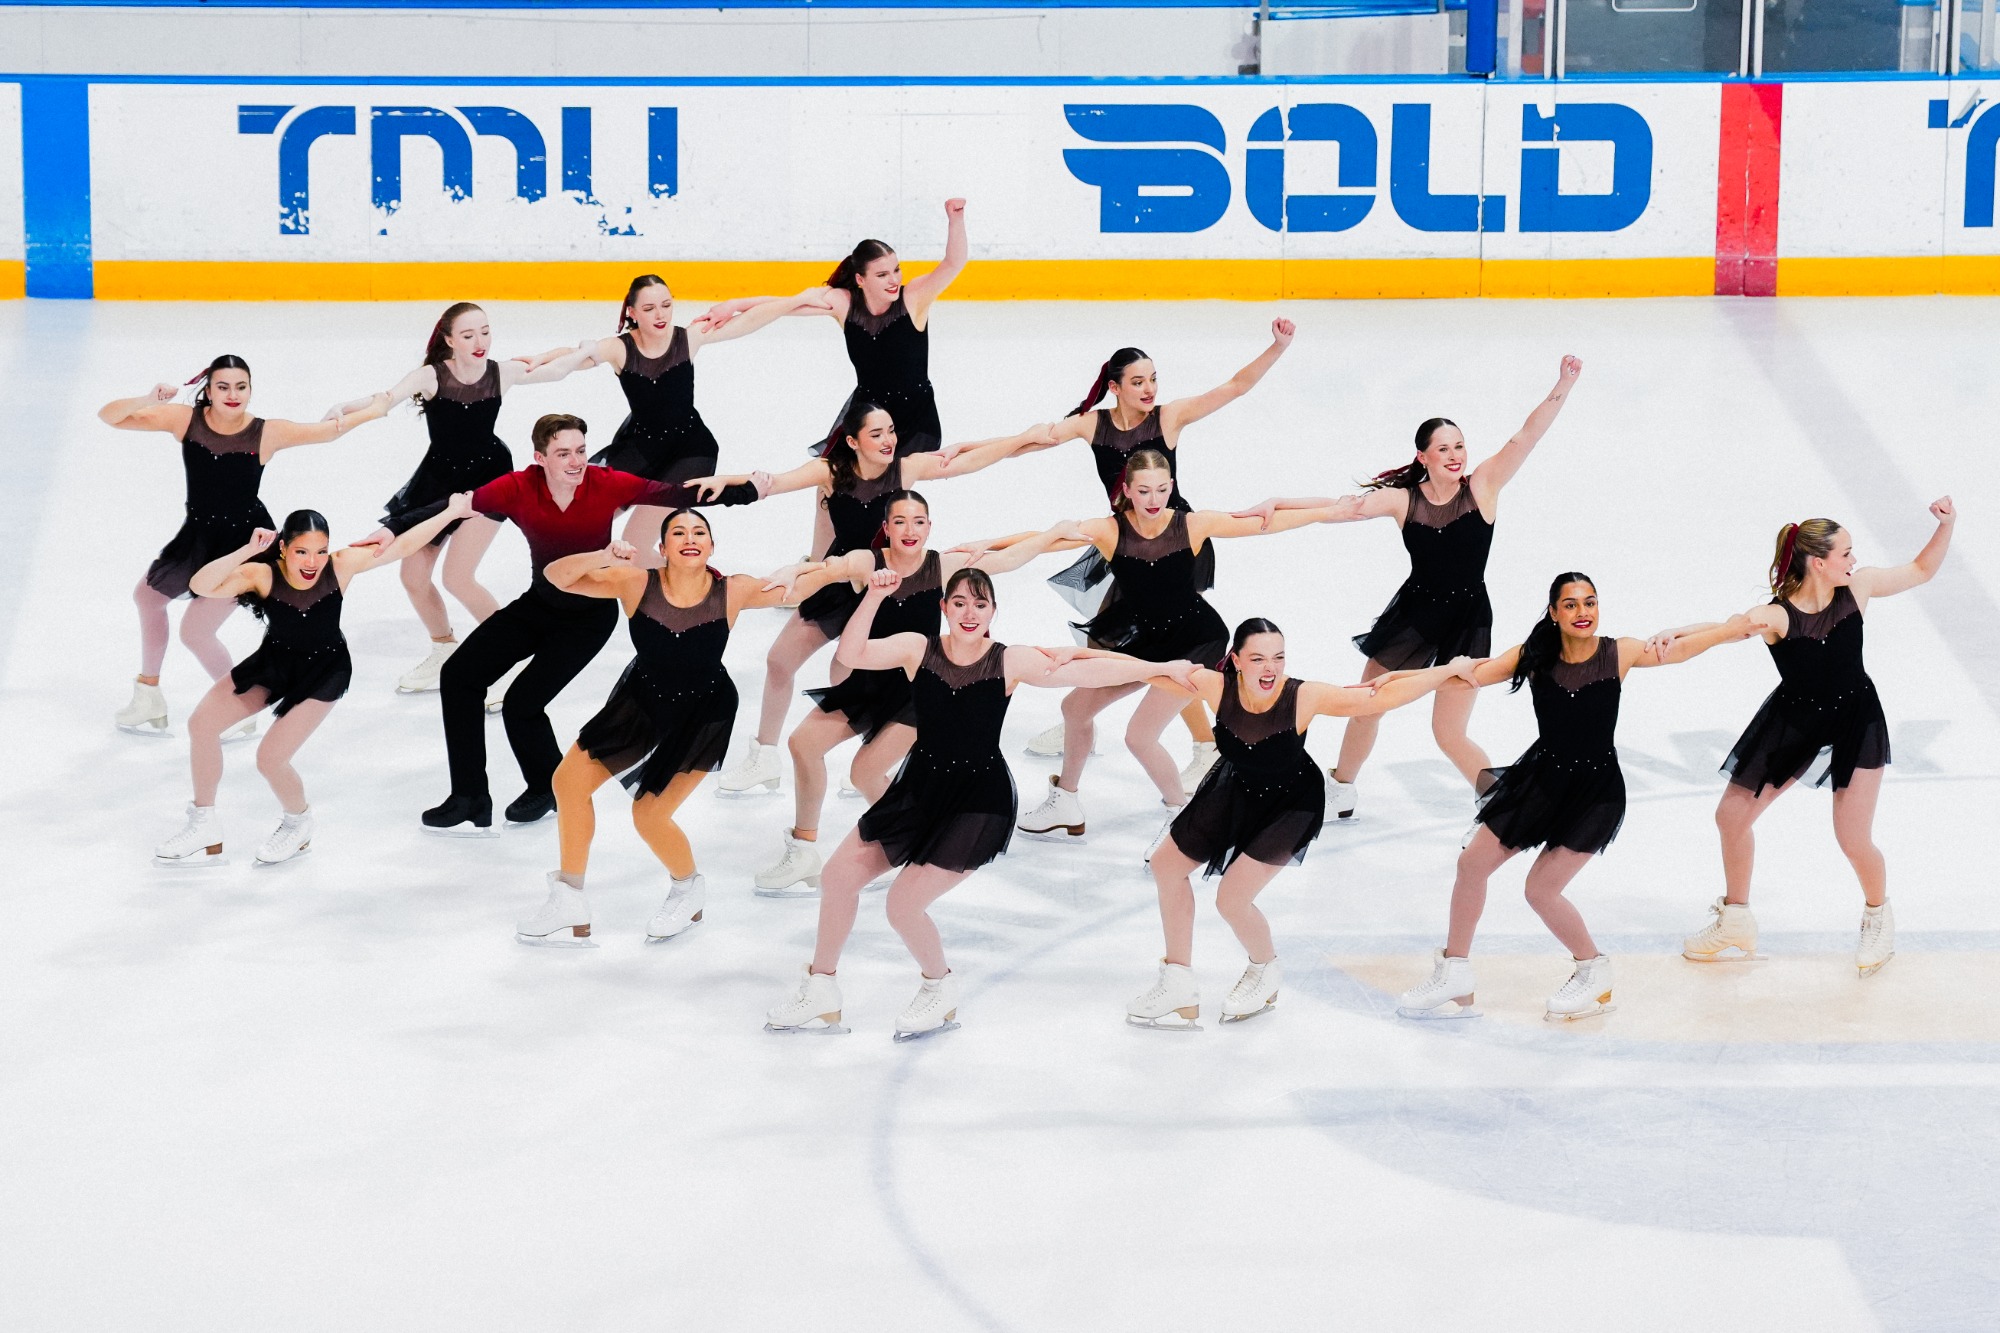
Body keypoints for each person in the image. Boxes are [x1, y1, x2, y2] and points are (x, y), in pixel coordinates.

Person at [764, 567, 1199, 1040]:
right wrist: (873, 597)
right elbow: (852, 654)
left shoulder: (1009, 661)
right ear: (944, 608)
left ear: (993, 612)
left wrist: (1157, 669)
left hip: (977, 801)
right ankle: (822, 987)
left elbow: (1087, 670)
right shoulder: (917, 648)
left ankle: (939, 987)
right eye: (960, 603)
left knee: (902, 906)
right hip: (919, 791)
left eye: (980, 604)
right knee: (837, 877)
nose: (969, 613)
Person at [376, 413, 760, 835]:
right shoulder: (517, 487)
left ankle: (546, 787)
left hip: (587, 618)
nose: (576, 461)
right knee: (459, 675)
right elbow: (454, 507)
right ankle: (469, 796)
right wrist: (392, 528)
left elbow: (674, 494)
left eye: (580, 450)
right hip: (539, 604)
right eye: (563, 453)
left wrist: (750, 489)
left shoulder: (606, 482)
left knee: (523, 702)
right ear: (540, 457)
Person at [1239, 355, 1583, 820]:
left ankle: (1504, 801)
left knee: (1448, 732)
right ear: (1423, 457)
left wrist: (1562, 383)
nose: (1456, 455)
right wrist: (1280, 502)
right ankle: (1341, 787)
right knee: (1368, 702)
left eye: (1460, 445)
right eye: (1444, 449)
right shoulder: (1404, 501)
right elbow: (1342, 507)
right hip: (1416, 615)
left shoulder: (1482, 486)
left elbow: (1526, 435)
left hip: (1468, 618)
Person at [1395, 574, 1751, 1022]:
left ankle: (1593, 969)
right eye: (1571, 605)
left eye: (1590, 602)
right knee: (1472, 864)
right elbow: (1468, 677)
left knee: (1541, 889)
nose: (1583, 612)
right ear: (1553, 613)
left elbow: (1677, 650)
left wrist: (1729, 628)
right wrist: (1414, 678)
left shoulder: (1617, 652)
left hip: (1595, 792)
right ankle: (1456, 971)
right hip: (1541, 782)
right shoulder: (1534, 656)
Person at [511, 511, 850, 947]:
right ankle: (570, 896)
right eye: (679, 533)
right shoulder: (635, 583)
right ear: (663, 548)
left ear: (711, 547)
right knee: (568, 782)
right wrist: (602, 554)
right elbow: (556, 576)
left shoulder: (734, 590)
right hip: (642, 702)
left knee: (648, 815)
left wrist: (823, 567)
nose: (690, 539)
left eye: (699, 533)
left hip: (702, 712)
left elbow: (803, 587)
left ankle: (688, 889)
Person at [1130, 619, 1478, 1030]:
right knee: (1167, 866)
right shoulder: (1213, 685)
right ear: (1236, 661)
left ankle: (1265, 970)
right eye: (1257, 658)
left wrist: (1445, 670)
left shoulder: (1303, 696)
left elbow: (1375, 696)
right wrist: (1068, 660)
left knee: (1231, 900)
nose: (1269, 668)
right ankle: (1178, 981)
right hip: (1235, 788)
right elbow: (1143, 668)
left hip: (1291, 805)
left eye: (1277, 658)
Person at [1011, 450, 1362, 856]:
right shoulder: (1108, 531)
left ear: (1172, 488)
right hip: (1143, 641)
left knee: (1139, 736)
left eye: (1162, 489)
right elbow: (1037, 542)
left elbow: (1267, 523)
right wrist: (975, 553)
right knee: (1075, 709)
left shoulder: (1191, 525)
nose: (1153, 498)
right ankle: (1067, 800)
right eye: (1143, 490)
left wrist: (1330, 509)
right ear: (1126, 490)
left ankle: (1181, 816)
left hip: (1196, 644)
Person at [693, 403, 1053, 796]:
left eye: (891, 431)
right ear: (853, 441)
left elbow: (969, 462)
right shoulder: (830, 472)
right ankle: (765, 756)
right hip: (843, 577)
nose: (888, 441)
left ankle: (872, 754)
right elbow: (773, 482)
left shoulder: (906, 468)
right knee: (781, 659)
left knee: (850, 671)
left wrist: (1022, 438)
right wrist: (722, 480)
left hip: (890, 584)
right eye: (876, 434)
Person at [1669, 500, 1956, 976]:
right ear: (1818, 562)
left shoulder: (1857, 589)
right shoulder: (1777, 616)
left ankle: (1878, 916)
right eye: (1846, 553)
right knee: (1730, 817)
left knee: (1852, 835)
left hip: (1855, 719)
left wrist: (1947, 524)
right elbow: (1725, 631)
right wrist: (1677, 634)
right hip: (1794, 721)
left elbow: (1922, 569)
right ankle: (1736, 918)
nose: (1854, 560)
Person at [753, 491, 1089, 896]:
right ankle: (805, 847)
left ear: (929, 527)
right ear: (887, 528)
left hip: (919, 690)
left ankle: (908, 842)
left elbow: (1007, 559)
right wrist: (794, 569)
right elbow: (827, 569)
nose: (909, 530)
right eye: (900, 522)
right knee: (802, 744)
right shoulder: (868, 562)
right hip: (869, 682)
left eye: (918, 522)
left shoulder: (941, 566)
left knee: (864, 772)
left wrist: (1052, 533)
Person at [1018, 321, 1297, 789]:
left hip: (1172, 542)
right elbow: (1036, 439)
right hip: (1124, 538)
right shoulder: (1094, 425)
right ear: (1115, 388)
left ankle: (1203, 742)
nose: (1148, 389)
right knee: (1115, 625)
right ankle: (1081, 712)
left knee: (1171, 635)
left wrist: (1277, 347)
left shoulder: (1167, 418)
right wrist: (972, 452)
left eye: (1153, 379)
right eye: (1137, 381)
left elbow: (1235, 387)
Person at [152, 497, 471, 868]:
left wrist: (450, 513)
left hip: (324, 670)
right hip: (274, 663)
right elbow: (202, 584)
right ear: (284, 549)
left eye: (320, 551)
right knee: (201, 725)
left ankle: (298, 822)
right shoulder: (262, 574)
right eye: (302, 551)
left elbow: (404, 546)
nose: (312, 562)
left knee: (270, 758)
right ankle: (204, 822)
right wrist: (246, 550)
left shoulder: (341, 565)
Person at [99, 356, 391, 739]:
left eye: (241, 387)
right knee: (148, 597)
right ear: (209, 390)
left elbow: (328, 432)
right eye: (223, 387)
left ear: (251, 389)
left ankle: (243, 703)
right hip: (199, 535)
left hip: (246, 544)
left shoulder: (266, 433)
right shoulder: (186, 420)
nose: (233, 395)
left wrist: (375, 410)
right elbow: (110, 416)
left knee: (195, 632)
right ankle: (149, 693)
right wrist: (147, 397)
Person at [323, 301, 598, 694]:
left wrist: (586, 349)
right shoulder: (431, 376)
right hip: (438, 481)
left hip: (490, 480)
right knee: (413, 576)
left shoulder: (500, 373)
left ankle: (515, 655)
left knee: (457, 577)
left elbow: (554, 370)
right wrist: (346, 408)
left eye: (485, 332)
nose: (480, 341)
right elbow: (385, 399)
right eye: (468, 335)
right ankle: (444, 649)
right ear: (449, 340)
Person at [515, 275, 828, 547]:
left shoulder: (688, 338)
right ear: (633, 312)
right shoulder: (620, 348)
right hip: (641, 447)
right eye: (649, 309)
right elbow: (574, 356)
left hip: (689, 450)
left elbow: (748, 322)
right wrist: (541, 358)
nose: (660, 314)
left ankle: (688, 586)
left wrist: (797, 299)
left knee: (634, 543)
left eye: (666, 305)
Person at [702, 198, 968, 457]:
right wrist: (734, 304)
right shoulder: (844, 303)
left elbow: (953, 263)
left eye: (896, 270)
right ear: (860, 279)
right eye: (882, 274)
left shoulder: (914, 299)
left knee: (888, 488)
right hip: (867, 418)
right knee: (832, 484)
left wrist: (956, 219)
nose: (894, 280)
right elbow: (786, 305)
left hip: (915, 421)